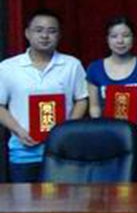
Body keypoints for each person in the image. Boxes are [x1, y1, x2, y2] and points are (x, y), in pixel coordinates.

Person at [0, 9, 88, 182]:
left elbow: (82, 99)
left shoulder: (72, 65)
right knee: (25, 198)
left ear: (59, 35)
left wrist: (67, 130)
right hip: (23, 150)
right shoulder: (8, 67)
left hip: (63, 149)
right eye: (38, 30)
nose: (45, 36)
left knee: (64, 198)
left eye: (51, 31)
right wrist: (18, 131)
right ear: (27, 33)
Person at [86, 15, 137, 132]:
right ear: (107, 39)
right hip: (106, 132)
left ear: (133, 38)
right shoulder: (95, 68)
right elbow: (94, 107)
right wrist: (100, 128)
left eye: (126, 36)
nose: (120, 41)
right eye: (114, 36)